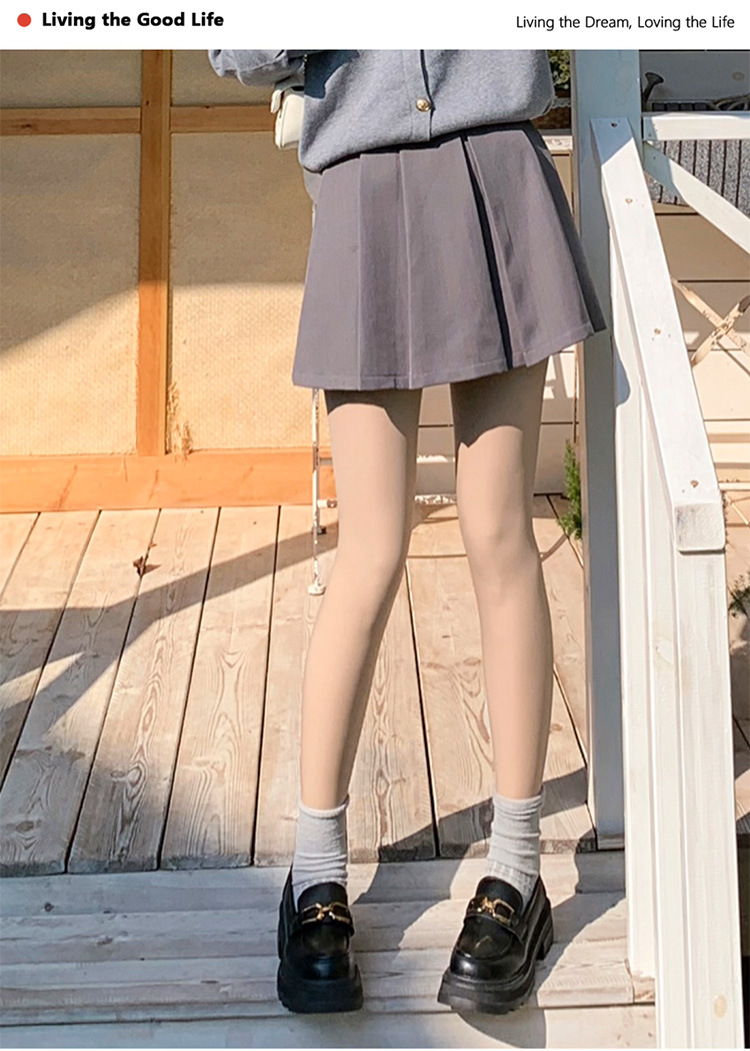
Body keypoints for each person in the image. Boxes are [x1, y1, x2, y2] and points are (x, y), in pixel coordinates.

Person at [208, 49, 607, 1015]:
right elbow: (237, 47)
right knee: (372, 545)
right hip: (363, 178)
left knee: (497, 529)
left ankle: (516, 871)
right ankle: (315, 872)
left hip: (494, 164)